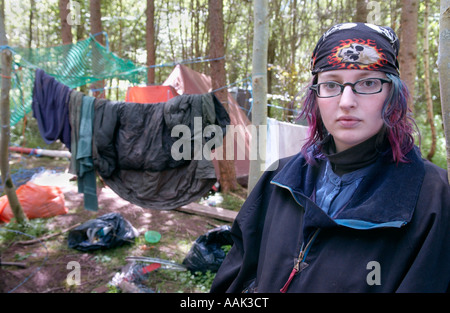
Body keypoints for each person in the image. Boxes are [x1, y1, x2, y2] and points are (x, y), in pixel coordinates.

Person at [210, 22, 450, 293]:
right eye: (332, 84)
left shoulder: (433, 197)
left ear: (393, 95)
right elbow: (237, 276)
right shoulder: (279, 179)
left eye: (368, 82)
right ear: (316, 96)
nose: (346, 101)